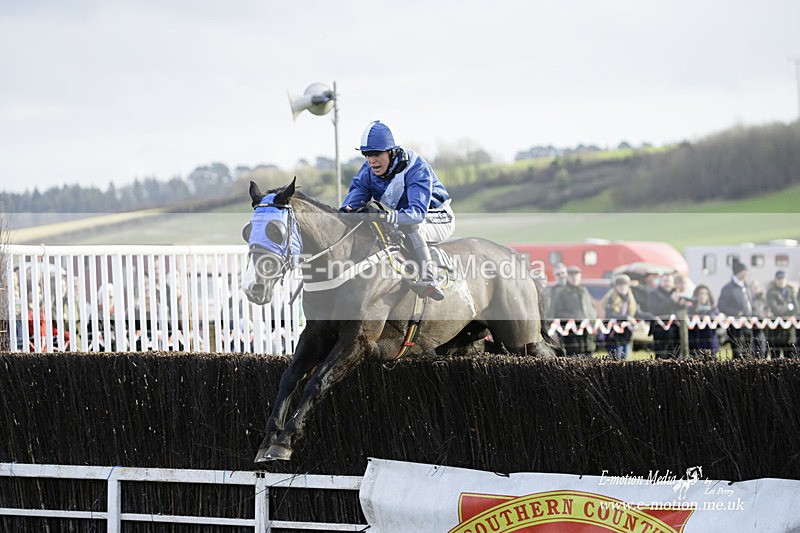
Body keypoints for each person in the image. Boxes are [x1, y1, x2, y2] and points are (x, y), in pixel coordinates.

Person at [340, 120, 454, 301]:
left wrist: (383, 216)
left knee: (406, 226)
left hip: (437, 217)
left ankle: (429, 278)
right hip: (405, 217)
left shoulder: (416, 167)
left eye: (376, 154)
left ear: (392, 151)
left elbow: (415, 215)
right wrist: (349, 212)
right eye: (367, 154)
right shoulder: (366, 173)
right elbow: (348, 209)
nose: (371, 160)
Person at [550, 266, 598, 356]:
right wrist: (574, 317)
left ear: (580, 276)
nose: (574, 278)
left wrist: (593, 318)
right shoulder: (562, 293)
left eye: (577, 275)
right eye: (572, 276)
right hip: (572, 337)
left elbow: (592, 308)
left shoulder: (584, 291)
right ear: (568, 277)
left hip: (587, 336)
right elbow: (557, 313)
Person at [647, 273, 692, 359]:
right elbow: (655, 309)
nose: (667, 283)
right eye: (665, 280)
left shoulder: (678, 293)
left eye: (669, 281)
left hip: (676, 330)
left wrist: (682, 304)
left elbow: (685, 310)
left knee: (676, 356)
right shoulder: (653, 294)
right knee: (661, 356)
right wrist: (671, 300)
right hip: (660, 330)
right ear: (660, 282)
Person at [717, 258, 754, 359]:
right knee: (738, 352)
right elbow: (721, 306)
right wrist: (736, 313)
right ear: (739, 272)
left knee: (749, 350)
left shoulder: (745, 286)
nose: (746, 273)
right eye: (744, 271)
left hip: (747, 324)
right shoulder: (728, 288)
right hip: (735, 326)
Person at [600, 274, 638, 360]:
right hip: (613, 335)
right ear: (616, 287)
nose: (622, 287)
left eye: (625, 285)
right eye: (620, 285)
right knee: (616, 359)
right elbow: (610, 314)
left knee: (625, 359)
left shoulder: (630, 299)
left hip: (626, 335)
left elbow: (637, 312)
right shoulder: (610, 298)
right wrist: (626, 317)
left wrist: (652, 316)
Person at [765, 270, 798, 358]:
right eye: (779, 278)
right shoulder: (771, 292)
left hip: (789, 332)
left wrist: (790, 309)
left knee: (790, 358)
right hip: (776, 332)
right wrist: (788, 307)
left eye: (782, 278)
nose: (781, 280)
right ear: (775, 280)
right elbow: (776, 310)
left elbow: (797, 309)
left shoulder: (791, 291)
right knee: (775, 359)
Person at [688, 284, 720, 357]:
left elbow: (717, 322)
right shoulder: (691, 308)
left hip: (710, 344)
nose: (703, 296)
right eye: (701, 294)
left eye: (705, 294)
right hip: (695, 344)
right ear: (696, 295)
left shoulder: (713, 308)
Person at [749, 279, 769, 357]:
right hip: (750, 327)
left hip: (761, 327)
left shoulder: (763, 298)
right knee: (751, 348)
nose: (756, 288)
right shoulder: (748, 298)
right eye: (754, 287)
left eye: (757, 286)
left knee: (762, 347)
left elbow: (767, 310)